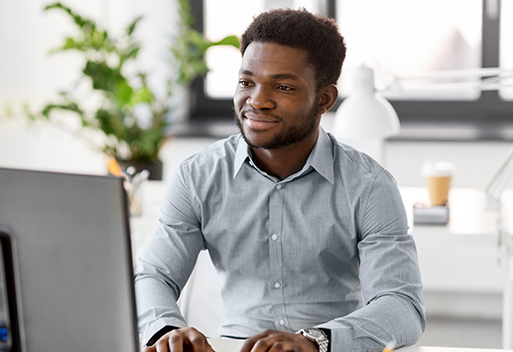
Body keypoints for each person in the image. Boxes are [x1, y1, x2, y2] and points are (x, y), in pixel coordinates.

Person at [134, 7, 425, 352]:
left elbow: (402, 305)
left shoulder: (370, 185)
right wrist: (165, 329)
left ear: (325, 99)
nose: (257, 101)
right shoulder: (198, 175)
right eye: (246, 82)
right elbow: (154, 276)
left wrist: (314, 341)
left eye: (283, 86)